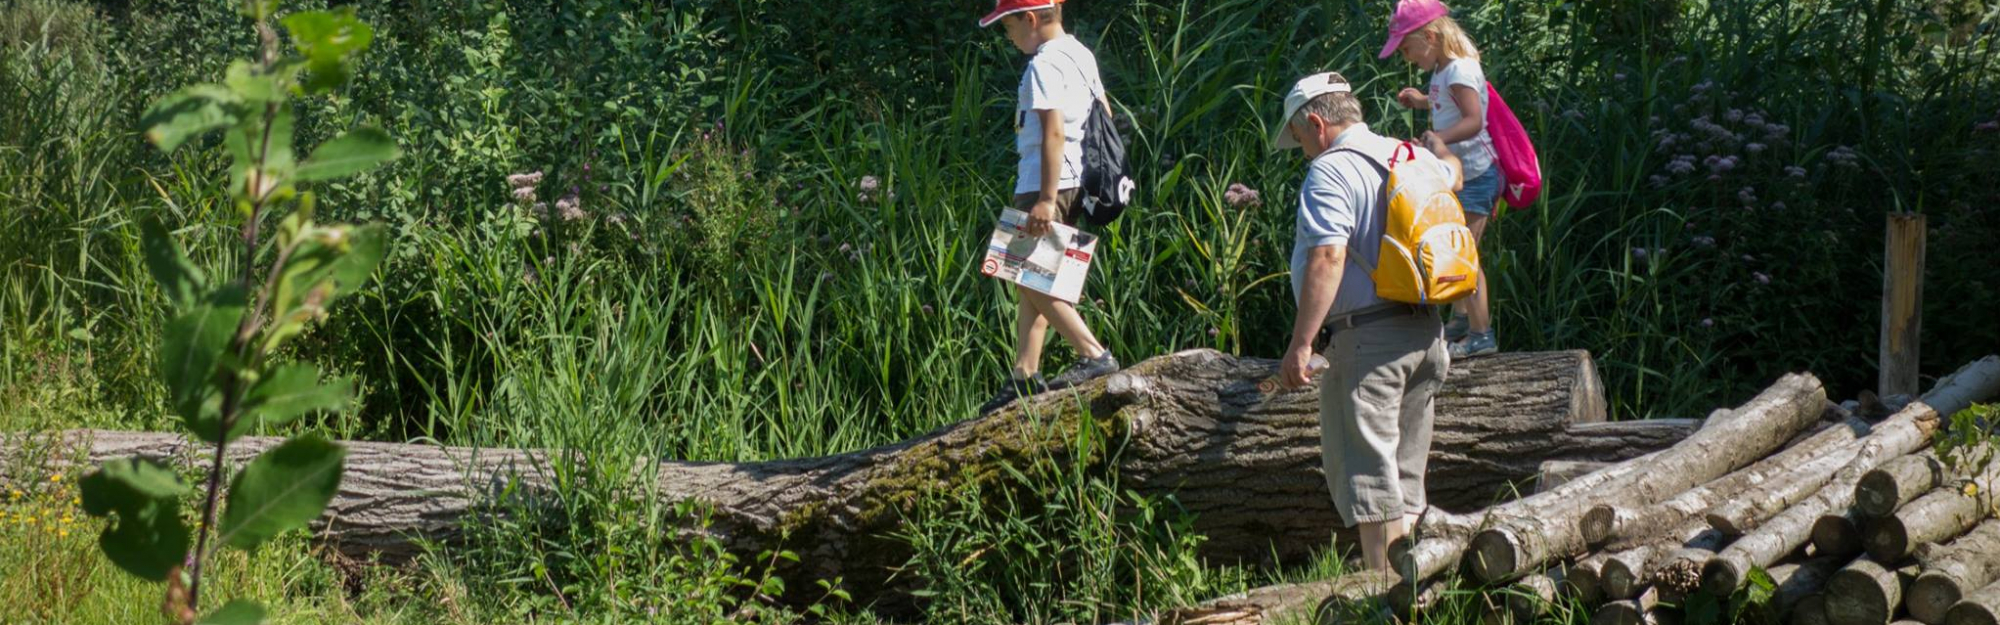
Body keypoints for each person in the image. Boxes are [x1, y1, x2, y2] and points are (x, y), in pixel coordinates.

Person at [1272, 71, 1456, 572]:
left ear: (1316, 123)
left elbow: (1328, 256)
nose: (1304, 150)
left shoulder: (1331, 170)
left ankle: (1382, 597)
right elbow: (1455, 179)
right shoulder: (1413, 156)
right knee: (1405, 478)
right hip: (1428, 335)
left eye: (1300, 138)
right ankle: (1418, 591)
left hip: (1368, 342)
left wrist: (1302, 344)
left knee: (1372, 485)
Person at [976, 0, 1121, 415]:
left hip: (1046, 182)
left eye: (1008, 25)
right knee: (1035, 279)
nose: (1008, 35)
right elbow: (1105, 114)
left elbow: (1053, 132)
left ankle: (1094, 355)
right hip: (1079, 181)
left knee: (1029, 277)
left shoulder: (1043, 64)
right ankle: (1025, 373)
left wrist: (1043, 197)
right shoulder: (1080, 53)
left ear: (1031, 19)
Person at [1384, 0, 1502, 358]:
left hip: (1478, 175)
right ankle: (1462, 323)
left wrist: (1438, 141)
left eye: (1406, 48)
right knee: (1457, 249)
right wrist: (1422, 101)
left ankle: (1482, 335)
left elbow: (1474, 120)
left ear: (1430, 37)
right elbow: (1446, 105)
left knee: (1465, 256)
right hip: (1461, 172)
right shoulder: (1442, 70)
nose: (1406, 57)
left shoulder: (1460, 70)